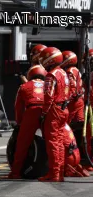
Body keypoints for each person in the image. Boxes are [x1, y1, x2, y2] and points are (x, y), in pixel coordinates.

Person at [7, 65, 46, 179]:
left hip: (31, 112)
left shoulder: (24, 86)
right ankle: (58, 171)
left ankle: (15, 173)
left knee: (22, 144)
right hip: (47, 112)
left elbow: (18, 107)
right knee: (54, 142)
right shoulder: (48, 84)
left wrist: (20, 123)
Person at [39, 46, 70, 182]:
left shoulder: (51, 76)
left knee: (52, 142)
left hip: (54, 110)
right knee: (60, 142)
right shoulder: (63, 73)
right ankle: (60, 172)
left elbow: (48, 96)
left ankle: (54, 174)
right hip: (64, 109)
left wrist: (43, 113)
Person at [61, 51, 84, 124]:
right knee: (80, 121)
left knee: (67, 122)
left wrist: (67, 100)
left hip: (73, 101)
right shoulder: (76, 70)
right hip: (79, 99)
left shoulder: (69, 71)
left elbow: (72, 87)